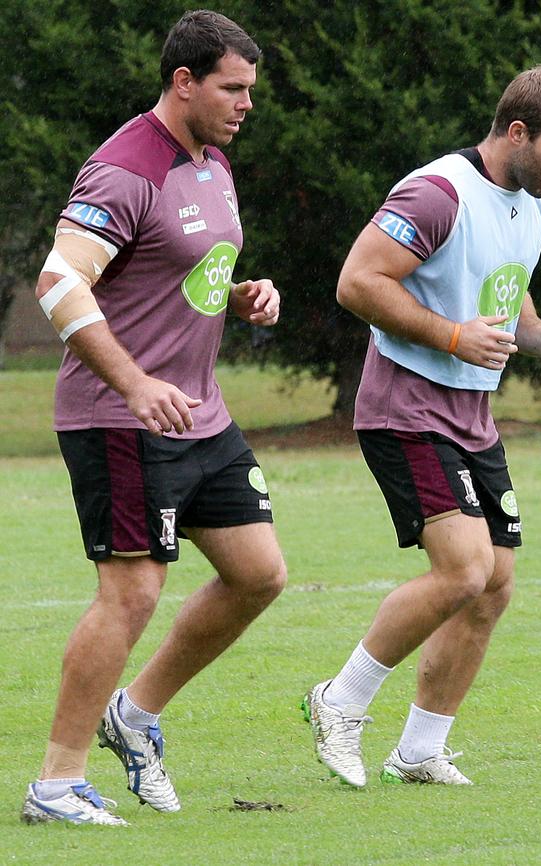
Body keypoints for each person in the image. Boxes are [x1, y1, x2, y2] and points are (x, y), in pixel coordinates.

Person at [22, 10, 287, 826]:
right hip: (120, 416)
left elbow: (174, 270)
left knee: (258, 574)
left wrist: (237, 296)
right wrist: (136, 384)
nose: (246, 104)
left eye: (250, 90)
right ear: (183, 82)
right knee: (132, 591)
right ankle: (56, 786)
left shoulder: (212, 162)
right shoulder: (123, 169)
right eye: (231, 89)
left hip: (198, 414)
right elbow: (59, 283)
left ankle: (132, 714)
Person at [303, 66, 541, 788]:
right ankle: (339, 702)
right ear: (517, 131)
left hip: (470, 415)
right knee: (463, 568)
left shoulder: (529, 200)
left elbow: (503, 283)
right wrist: (451, 337)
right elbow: (357, 282)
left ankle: (420, 749)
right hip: (407, 409)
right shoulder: (437, 193)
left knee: (494, 583)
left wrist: (539, 340)